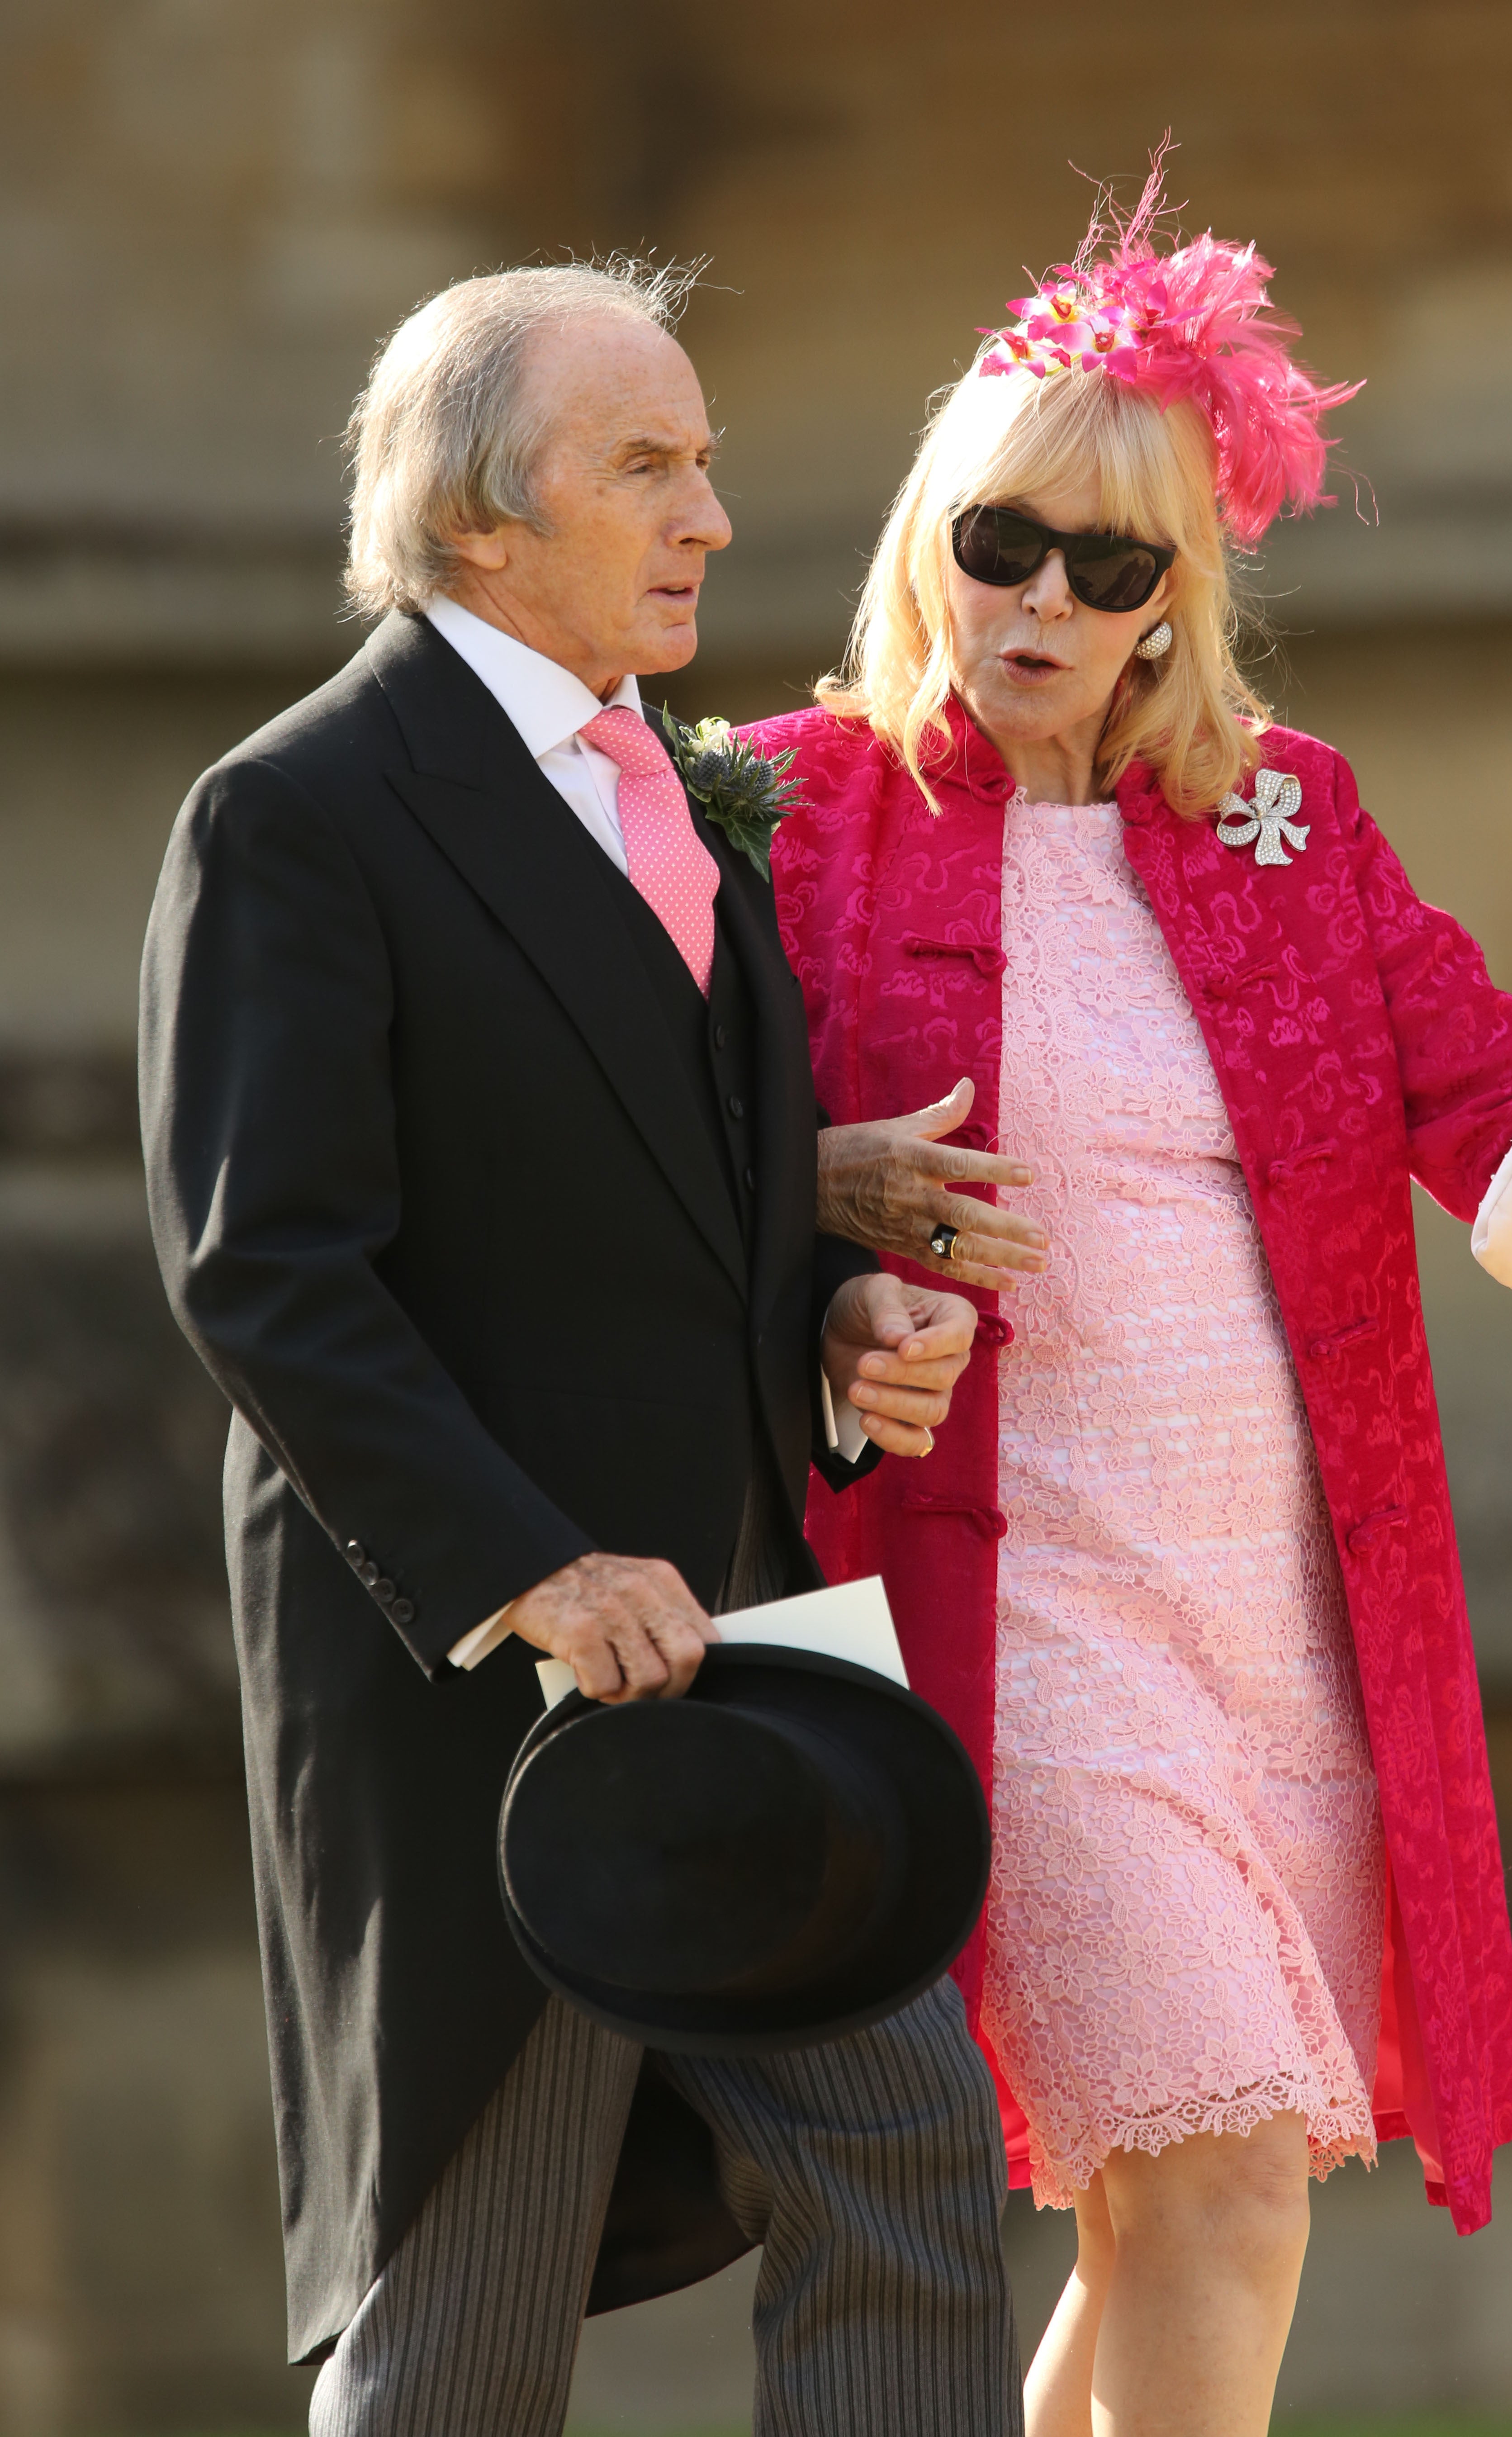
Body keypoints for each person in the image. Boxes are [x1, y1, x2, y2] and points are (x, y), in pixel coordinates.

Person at [740, 168, 1512, 2437]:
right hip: (998, 1602)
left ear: (1172, 604)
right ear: (933, 532)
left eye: (1108, 565)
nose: (1040, 597)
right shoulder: (787, 812)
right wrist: (830, 1215)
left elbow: (1508, 1123)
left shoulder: (1287, 819)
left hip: (1278, 1607)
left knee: (1185, 2213)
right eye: (1001, 539)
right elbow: (631, 1161)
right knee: (1227, 2175)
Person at [138, 259, 1022, 2437]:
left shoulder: (671, 783)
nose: (712, 512)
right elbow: (271, 1270)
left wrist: (832, 1313)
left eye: (705, 458)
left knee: (908, 2153)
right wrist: (534, 1573)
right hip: (495, 1678)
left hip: (759, 1629)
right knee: (467, 2306)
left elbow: (654, 1183)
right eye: (648, 465)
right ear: (474, 526)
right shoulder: (298, 812)